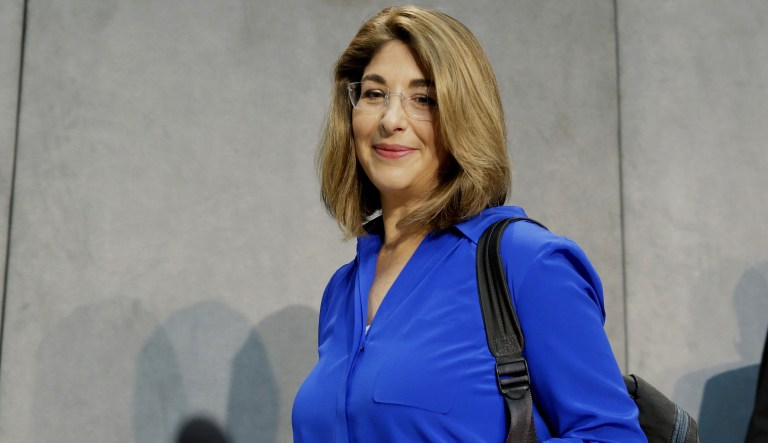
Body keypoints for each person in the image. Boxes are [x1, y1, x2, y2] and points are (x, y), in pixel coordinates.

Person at [292, 5, 646, 442]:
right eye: (374, 94)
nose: (391, 119)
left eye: (424, 99)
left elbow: (612, 436)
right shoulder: (341, 291)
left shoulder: (525, 263)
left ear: (465, 116)